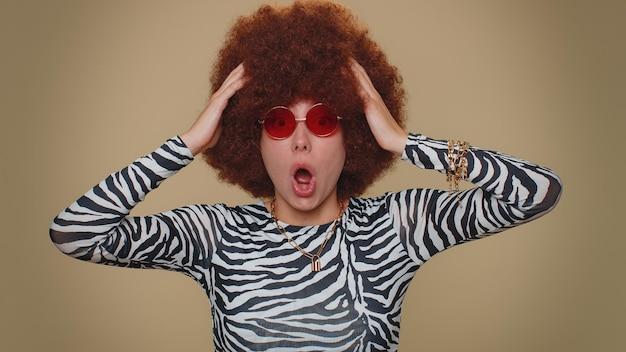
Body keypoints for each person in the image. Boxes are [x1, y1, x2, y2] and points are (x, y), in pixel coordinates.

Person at [50, 1, 562, 351]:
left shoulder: (396, 228)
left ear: (351, 135)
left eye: (322, 120)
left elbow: (538, 193)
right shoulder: (217, 238)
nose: (300, 141)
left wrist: (403, 141)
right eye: (277, 122)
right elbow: (75, 233)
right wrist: (185, 144)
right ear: (253, 139)